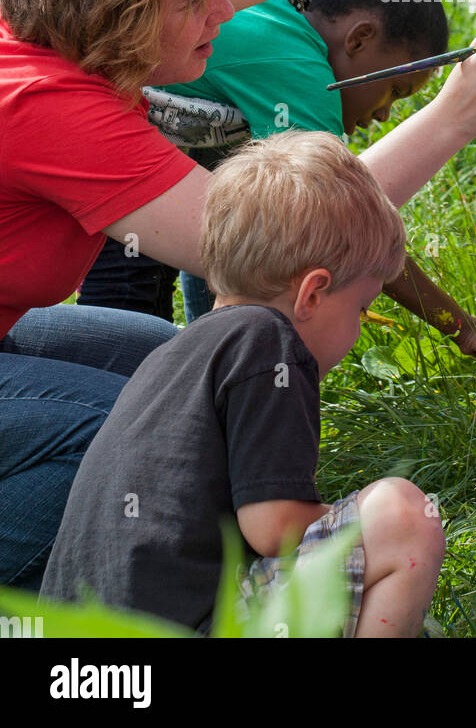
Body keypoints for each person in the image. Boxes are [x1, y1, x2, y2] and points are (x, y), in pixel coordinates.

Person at [0, 0, 476, 588]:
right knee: (168, 442)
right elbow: (281, 238)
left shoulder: (81, 23)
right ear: (128, 7)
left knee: (185, 381)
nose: (228, 7)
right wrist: (452, 118)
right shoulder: (48, 105)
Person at [41, 132, 445, 638]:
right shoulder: (269, 340)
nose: (360, 327)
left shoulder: (171, 356)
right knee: (400, 518)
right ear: (313, 293)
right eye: (361, 308)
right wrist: (344, 520)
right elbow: (274, 527)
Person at [121, 0, 476, 380]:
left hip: (111, 162)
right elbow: (351, 223)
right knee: (126, 329)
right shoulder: (302, 73)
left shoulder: (280, 22)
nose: (385, 114)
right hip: (97, 165)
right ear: (360, 39)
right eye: (396, 91)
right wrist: (465, 329)